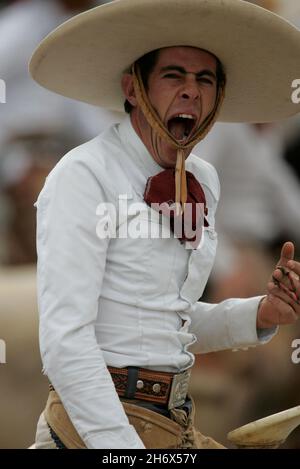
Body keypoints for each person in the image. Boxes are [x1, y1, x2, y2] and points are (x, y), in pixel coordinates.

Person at [29, 0, 300, 449]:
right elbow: (65, 342)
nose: (191, 91)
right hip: (97, 426)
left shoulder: (204, 181)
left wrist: (259, 314)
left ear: (217, 98)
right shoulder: (84, 175)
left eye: (205, 80)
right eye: (174, 76)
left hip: (169, 421)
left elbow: (163, 322)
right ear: (133, 89)